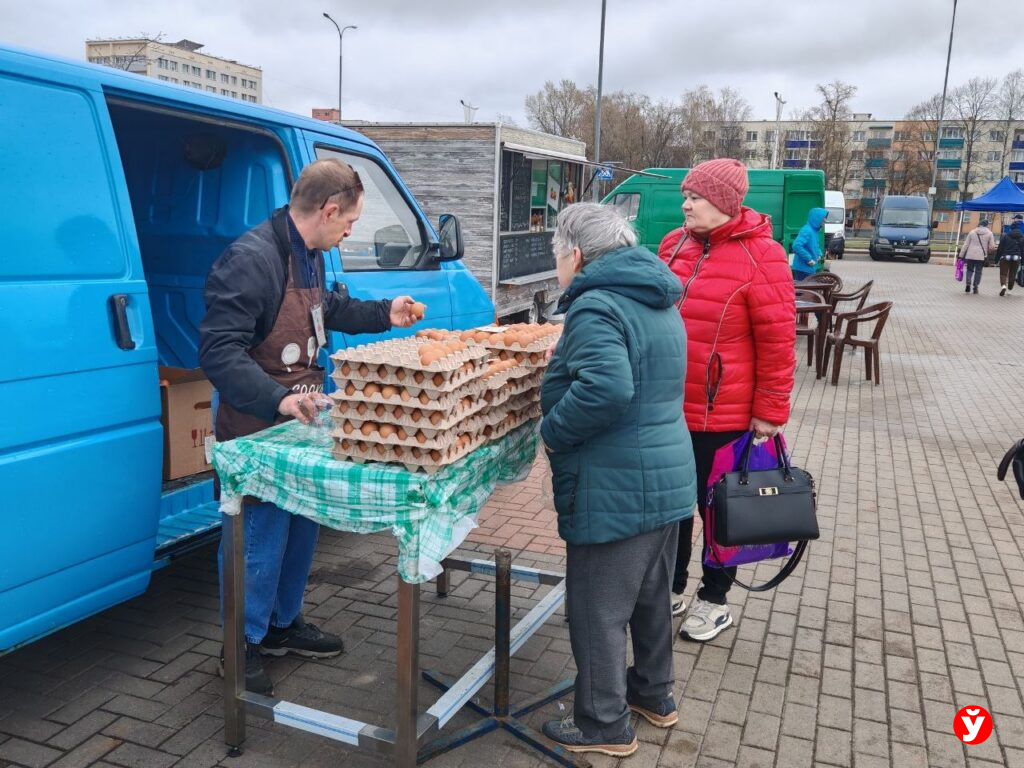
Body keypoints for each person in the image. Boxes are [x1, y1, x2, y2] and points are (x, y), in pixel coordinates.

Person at [199, 158, 420, 694]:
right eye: (350, 222)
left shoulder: (311, 255)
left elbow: (328, 310)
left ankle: (281, 625)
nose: (350, 231)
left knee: (301, 521)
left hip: (300, 417)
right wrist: (276, 400)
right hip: (256, 425)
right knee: (259, 534)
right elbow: (217, 351)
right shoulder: (251, 259)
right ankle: (241, 645)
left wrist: (384, 312)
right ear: (328, 210)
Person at [539, 203, 695, 756]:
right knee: (650, 596)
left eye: (557, 256)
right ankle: (654, 694)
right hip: (666, 477)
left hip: (616, 484)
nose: (556, 267)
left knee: (596, 608)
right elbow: (637, 369)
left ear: (576, 254)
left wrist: (553, 432)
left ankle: (603, 722)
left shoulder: (596, 305)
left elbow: (607, 389)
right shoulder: (655, 296)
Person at [658, 158, 796, 642]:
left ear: (723, 202)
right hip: (668, 407)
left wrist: (769, 412)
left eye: (695, 196)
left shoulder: (765, 255)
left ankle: (713, 599)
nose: (686, 203)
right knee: (672, 505)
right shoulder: (674, 245)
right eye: (686, 195)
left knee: (719, 508)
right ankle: (670, 587)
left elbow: (779, 343)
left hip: (727, 413)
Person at [791, 207, 828, 281]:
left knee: (808, 290)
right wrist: (809, 259)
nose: (825, 220)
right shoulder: (807, 230)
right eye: (823, 218)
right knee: (804, 291)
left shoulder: (814, 231)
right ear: (816, 218)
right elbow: (796, 246)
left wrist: (819, 254)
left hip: (809, 268)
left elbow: (815, 246)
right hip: (803, 269)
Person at [959, 217, 995, 295]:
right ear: (987, 225)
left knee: (969, 270)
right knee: (978, 272)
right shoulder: (989, 233)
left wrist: (961, 255)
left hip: (970, 255)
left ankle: (968, 284)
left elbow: (966, 244)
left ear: (979, 224)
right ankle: (975, 287)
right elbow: (992, 246)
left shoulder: (972, 232)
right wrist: (988, 250)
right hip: (981, 256)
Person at [995, 214, 1024, 296]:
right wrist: (1022, 262)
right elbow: (1023, 250)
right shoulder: (1022, 237)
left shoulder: (1005, 236)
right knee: (1013, 274)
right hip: (1017, 257)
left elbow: (1000, 248)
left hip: (1005, 256)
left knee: (1003, 273)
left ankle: (1003, 286)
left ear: (1011, 228)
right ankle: (1010, 290)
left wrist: (996, 259)